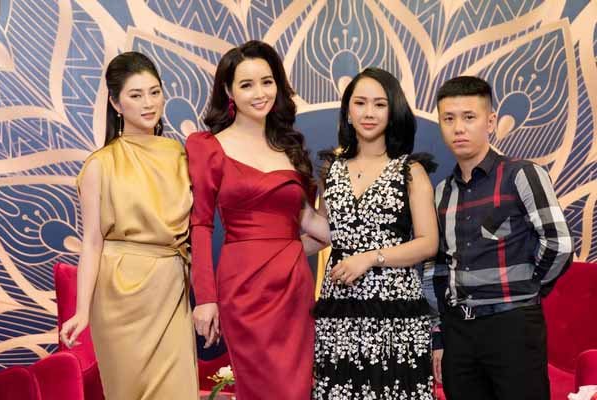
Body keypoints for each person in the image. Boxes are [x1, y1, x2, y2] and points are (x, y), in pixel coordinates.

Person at [186, 40, 329, 400]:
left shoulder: (289, 150)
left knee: (297, 389)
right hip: (243, 287)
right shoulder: (208, 146)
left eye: (267, 82)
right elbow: (200, 225)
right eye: (247, 85)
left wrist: (369, 224)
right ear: (229, 91)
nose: (260, 93)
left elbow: (314, 226)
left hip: (293, 285)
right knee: (262, 386)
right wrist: (205, 299)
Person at [60, 52, 198, 399]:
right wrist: (81, 311)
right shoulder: (100, 164)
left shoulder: (182, 156)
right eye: (136, 95)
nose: (148, 103)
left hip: (172, 287)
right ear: (115, 103)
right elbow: (92, 242)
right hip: (120, 294)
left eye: (155, 92)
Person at [430, 76, 574, 400]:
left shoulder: (522, 174)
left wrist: (528, 287)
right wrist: (440, 333)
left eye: (469, 117)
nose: (458, 128)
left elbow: (559, 243)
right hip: (458, 332)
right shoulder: (442, 193)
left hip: (512, 326)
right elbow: (438, 267)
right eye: (448, 119)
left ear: (490, 121)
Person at [310, 67, 438, 399]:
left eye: (380, 104)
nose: (369, 113)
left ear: (393, 112)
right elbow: (325, 233)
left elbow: (428, 242)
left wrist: (370, 258)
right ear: (347, 112)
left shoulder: (410, 171)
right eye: (360, 103)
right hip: (340, 307)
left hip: (395, 308)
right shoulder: (330, 169)